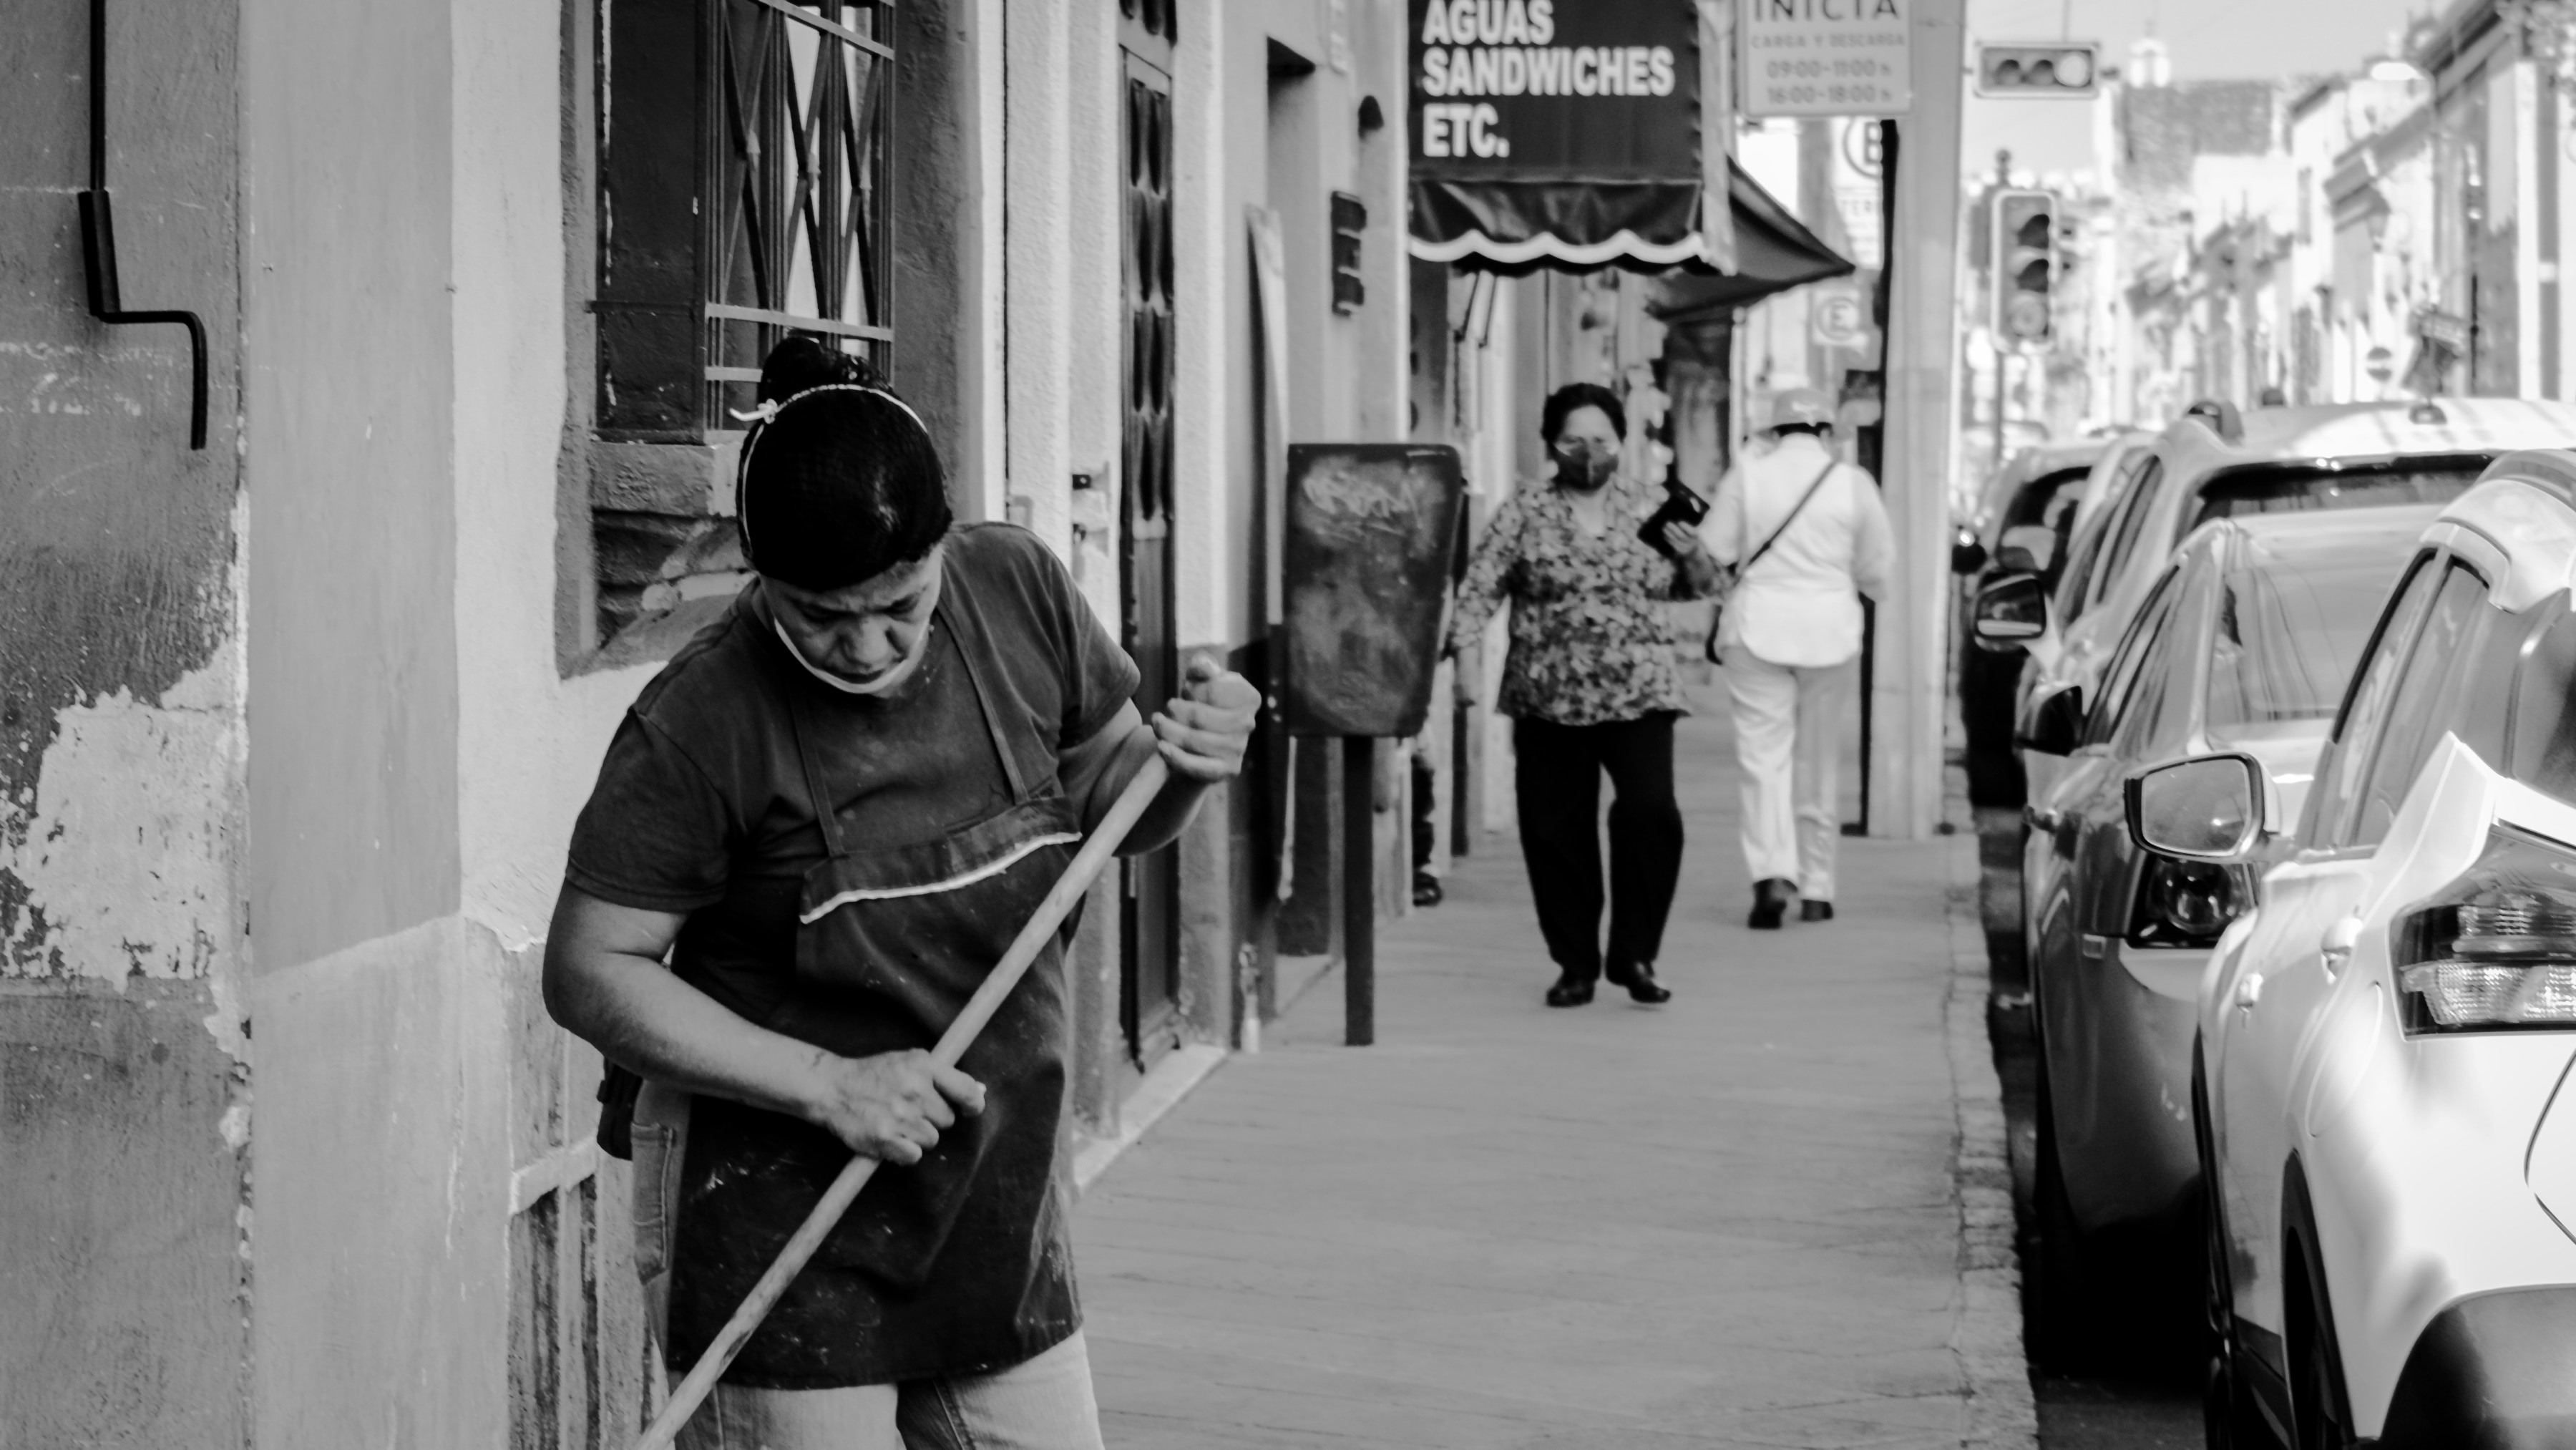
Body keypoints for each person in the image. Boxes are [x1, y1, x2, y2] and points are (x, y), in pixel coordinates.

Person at [542, 337, 1260, 1449]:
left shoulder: (1018, 590)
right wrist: (828, 1083)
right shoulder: (701, 720)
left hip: (990, 1188)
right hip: (773, 1202)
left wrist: (1191, 767)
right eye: (821, 616)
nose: (868, 645)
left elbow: (1113, 803)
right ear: (758, 573)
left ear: (941, 548)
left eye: (902, 602)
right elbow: (589, 969)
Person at [1449, 381, 1722, 1008]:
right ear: (1551, 443)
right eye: (1574, 440)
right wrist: (1463, 659)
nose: (1589, 452)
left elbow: (1700, 586)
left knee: (1652, 815)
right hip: (1548, 695)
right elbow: (1481, 586)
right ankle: (1575, 963)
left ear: (1621, 442)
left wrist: (1692, 554)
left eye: (1601, 439)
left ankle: (1635, 954)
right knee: (1555, 831)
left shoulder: (1651, 505)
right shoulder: (1525, 510)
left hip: (1641, 691)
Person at [1701, 386, 1893, 929]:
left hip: (1757, 627)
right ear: (1827, 433)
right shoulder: (1853, 484)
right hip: (1829, 632)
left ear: (1774, 432)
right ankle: (1817, 887)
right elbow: (1877, 569)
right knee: (1817, 760)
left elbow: (1714, 549)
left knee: (1763, 760)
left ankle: (1770, 874)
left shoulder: (1746, 477)